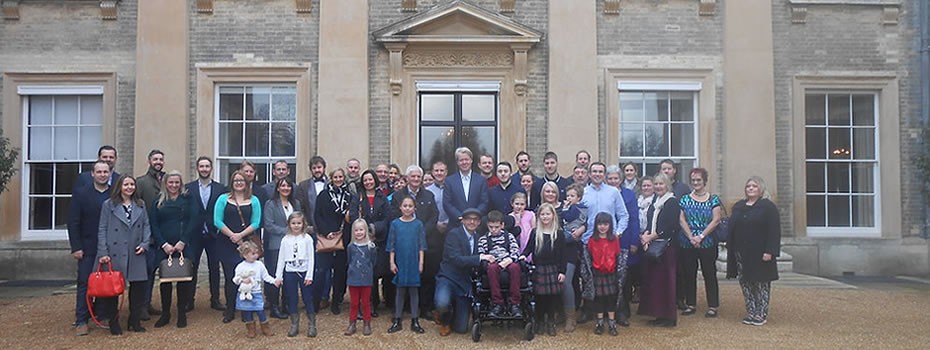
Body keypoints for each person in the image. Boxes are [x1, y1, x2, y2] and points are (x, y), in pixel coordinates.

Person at [96, 175, 152, 334]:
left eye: (132, 184)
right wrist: (103, 252)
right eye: (126, 184)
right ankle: (114, 323)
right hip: (114, 252)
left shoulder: (140, 205)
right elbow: (102, 229)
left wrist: (145, 244)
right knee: (113, 290)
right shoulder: (109, 205)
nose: (129, 187)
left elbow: (147, 226)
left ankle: (134, 321)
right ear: (119, 186)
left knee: (138, 288)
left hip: (136, 251)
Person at [726, 176, 781, 327]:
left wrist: (770, 251)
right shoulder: (739, 206)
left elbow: (774, 231)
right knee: (746, 283)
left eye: (754, 186)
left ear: (760, 189)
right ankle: (751, 311)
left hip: (761, 252)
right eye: (748, 186)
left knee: (761, 284)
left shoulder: (768, 207)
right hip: (741, 253)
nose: (750, 188)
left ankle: (761, 313)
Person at [389, 165, 439, 320]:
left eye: (419, 176)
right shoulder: (398, 196)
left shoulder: (428, 195)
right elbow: (393, 216)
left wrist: (422, 231)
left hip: (424, 241)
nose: (416, 179)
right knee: (401, 275)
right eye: (413, 176)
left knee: (425, 275)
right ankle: (401, 309)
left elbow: (434, 216)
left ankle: (424, 308)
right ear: (407, 178)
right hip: (403, 244)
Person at [149, 170, 198, 329]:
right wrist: (163, 244)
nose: (174, 185)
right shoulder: (158, 200)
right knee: (165, 281)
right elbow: (154, 224)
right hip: (165, 246)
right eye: (171, 182)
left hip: (183, 244)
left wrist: (183, 241)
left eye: (177, 182)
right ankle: (165, 314)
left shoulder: (188, 198)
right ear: (165, 183)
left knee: (183, 280)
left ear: (181, 183)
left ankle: (182, 313)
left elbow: (194, 220)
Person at [68, 160, 112, 336]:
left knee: (104, 282)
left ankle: (102, 315)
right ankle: (81, 320)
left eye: (105, 172)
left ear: (109, 174)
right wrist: (76, 246)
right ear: (92, 174)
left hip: (107, 246)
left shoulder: (114, 194)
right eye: (99, 172)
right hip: (86, 246)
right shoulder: (81, 194)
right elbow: (73, 221)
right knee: (85, 283)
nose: (102, 174)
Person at [434, 208, 494, 336]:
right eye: (468, 219)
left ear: (479, 222)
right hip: (448, 278)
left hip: (464, 282)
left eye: (475, 219)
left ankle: (453, 311)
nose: (472, 222)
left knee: (461, 329)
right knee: (442, 303)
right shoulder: (453, 234)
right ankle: (444, 319)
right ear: (463, 221)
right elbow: (456, 259)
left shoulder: (480, 238)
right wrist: (480, 257)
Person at [213, 170, 262, 324]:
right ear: (232, 183)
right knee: (230, 278)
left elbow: (256, 222)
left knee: (248, 276)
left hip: (247, 244)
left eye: (242, 180)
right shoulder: (223, 199)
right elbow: (217, 220)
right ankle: (230, 309)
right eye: (236, 180)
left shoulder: (253, 200)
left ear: (247, 183)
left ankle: (246, 309)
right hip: (226, 243)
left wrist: (240, 235)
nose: (239, 183)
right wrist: (232, 235)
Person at [638, 173, 681, 327]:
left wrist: (652, 237)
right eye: (656, 184)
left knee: (666, 283)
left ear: (667, 185)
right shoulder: (655, 202)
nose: (658, 187)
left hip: (666, 248)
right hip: (653, 246)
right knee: (655, 282)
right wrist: (645, 236)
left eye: (661, 184)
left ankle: (669, 317)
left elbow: (670, 227)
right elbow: (650, 222)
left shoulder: (671, 202)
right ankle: (658, 314)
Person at [678, 168, 722, 318]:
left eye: (698, 180)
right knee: (689, 274)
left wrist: (701, 236)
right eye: (693, 180)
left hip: (707, 242)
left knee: (709, 274)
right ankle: (691, 304)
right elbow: (681, 219)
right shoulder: (684, 199)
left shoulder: (713, 199)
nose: (696, 183)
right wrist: (691, 237)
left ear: (704, 181)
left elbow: (716, 220)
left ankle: (713, 305)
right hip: (687, 242)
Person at [185, 156, 228, 312]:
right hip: (194, 234)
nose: (204, 169)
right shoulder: (188, 188)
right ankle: (189, 300)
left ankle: (215, 299)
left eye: (207, 166)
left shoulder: (220, 188)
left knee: (214, 268)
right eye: (201, 166)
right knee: (192, 267)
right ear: (197, 168)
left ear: (211, 169)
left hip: (213, 234)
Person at [313, 168, 358, 315]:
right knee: (321, 271)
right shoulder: (323, 195)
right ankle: (316, 301)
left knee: (340, 272)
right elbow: (317, 215)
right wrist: (327, 232)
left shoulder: (349, 196)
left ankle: (336, 301)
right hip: (326, 237)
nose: (338, 179)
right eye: (335, 177)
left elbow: (352, 216)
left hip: (343, 238)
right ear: (331, 178)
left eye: (340, 177)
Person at [541, 181, 584, 332]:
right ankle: (555, 313)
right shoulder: (540, 210)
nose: (550, 194)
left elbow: (581, 222)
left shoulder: (567, 208)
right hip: (549, 251)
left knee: (565, 282)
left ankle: (570, 317)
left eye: (553, 191)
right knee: (552, 282)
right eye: (547, 191)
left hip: (567, 250)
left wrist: (582, 229)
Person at [520, 203, 566, 336]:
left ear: (553, 216)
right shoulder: (535, 232)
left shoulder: (559, 233)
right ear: (539, 216)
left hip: (553, 269)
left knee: (552, 297)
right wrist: (523, 256)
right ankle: (539, 321)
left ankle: (550, 321)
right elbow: (528, 248)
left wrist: (562, 272)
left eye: (548, 214)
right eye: (542, 214)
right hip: (539, 268)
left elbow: (563, 255)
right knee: (539, 297)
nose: (545, 217)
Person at [606, 165, 641, 326]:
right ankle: (607, 310)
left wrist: (634, 241)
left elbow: (634, 219)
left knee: (624, 278)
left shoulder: (628, 195)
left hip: (625, 240)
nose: (613, 181)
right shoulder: (604, 193)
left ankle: (623, 310)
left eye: (616, 178)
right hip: (605, 242)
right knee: (607, 277)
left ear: (621, 179)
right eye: (610, 178)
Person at [263, 178, 303, 319]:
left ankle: (287, 304)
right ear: (278, 188)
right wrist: (287, 231)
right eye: (283, 185)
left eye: (288, 185)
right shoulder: (271, 204)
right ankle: (274, 307)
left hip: (293, 245)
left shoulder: (296, 203)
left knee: (289, 275)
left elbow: (300, 221)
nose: (286, 188)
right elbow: (268, 225)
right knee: (276, 275)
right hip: (276, 245)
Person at [387, 196, 428, 333]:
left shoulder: (418, 224)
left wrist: (421, 262)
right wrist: (392, 262)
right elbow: (391, 245)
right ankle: (397, 319)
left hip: (413, 261)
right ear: (400, 207)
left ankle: (415, 320)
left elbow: (422, 245)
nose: (407, 208)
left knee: (413, 290)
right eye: (405, 206)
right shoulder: (395, 224)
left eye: (410, 206)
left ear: (414, 208)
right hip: (400, 261)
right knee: (400, 290)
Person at [273, 212, 317, 337]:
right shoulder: (285, 240)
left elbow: (311, 258)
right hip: (290, 272)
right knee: (292, 298)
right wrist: (278, 276)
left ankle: (312, 324)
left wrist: (309, 275)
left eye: (299, 223)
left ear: (303, 224)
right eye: (293, 223)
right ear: (289, 224)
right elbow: (281, 258)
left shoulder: (307, 238)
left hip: (304, 271)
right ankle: (294, 324)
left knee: (308, 298)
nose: (296, 226)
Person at [135, 149, 165, 319]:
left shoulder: (167, 180)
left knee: (153, 271)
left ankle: (148, 303)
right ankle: (141, 306)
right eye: (155, 159)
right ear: (149, 161)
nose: (158, 162)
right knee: (144, 272)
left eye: (161, 159)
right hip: (146, 235)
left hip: (163, 233)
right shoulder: (141, 182)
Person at [358, 169, 392, 316]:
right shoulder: (358, 197)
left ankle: (384, 301)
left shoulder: (382, 197)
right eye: (365, 180)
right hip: (363, 239)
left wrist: (374, 228)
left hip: (380, 238)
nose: (368, 182)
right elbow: (354, 215)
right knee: (367, 273)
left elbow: (387, 217)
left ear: (375, 180)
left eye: (370, 179)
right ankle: (370, 303)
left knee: (380, 271)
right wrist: (365, 231)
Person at [477, 210, 522, 319]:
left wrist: (509, 260)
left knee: (515, 267)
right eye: (491, 227)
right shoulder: (483, 239)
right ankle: (497, 303)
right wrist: (486, 257)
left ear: (502, 225)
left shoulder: (509, 236)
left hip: (508, 261)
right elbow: (481, 254)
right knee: (492, 268)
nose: (494, 230)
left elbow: (516, 251)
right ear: (487, 225)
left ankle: (514, 303)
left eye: (496, 227)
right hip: (493, 262)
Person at [232, 241, 277, 338]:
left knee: (260, 310)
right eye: (253, 254)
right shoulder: (240, 267)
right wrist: (242, 280)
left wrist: (274, 281)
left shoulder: (259, 265)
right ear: (244, 255)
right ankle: (251, 329)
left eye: (256, 253)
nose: (255, 255)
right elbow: (235, 279)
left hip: (256, 292)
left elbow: (265, 276)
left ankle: (265, 327)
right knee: (247, 311)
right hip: (245, 293)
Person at [588, 213, 622, 336]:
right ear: (596, 225)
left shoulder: (614, 239)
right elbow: (589, 257)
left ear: (610, 225)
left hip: (611, 273)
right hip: (598, 274)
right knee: (599, 299)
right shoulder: (592, 240)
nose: (602, 227)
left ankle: (612, 323)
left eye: (605, 224)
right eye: (600, 224)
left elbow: (618, 256)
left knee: (611, 298)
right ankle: (600, 323)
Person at [442, 147, 489, 227]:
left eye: (466, 159)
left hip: (476, 225)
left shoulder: (481, 180)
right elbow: (447, 203)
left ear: (471, 160)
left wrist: (473, 218)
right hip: (456, 225)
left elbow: (484, 202)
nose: (464, 162)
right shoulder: (449, 181)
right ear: (457, 162)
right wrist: (461, 218)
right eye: (461, 160)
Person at [345, 218, 377, 336]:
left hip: (366, 279)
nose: (359, 232)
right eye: (356, 230)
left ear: (366, 231)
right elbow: (349, 261)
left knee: (366, 303)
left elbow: (373, 261)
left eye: (361, 230)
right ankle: (352, 323)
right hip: (353, 279)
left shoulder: (371, 247)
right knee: (354, 303)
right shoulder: (351, 247)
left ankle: (367, 323)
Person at [509, 192, 535, 258]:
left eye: (522, 204)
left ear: (525, 205)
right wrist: (517, 221)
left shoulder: (530, 214)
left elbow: (534, 229)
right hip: (517, 243)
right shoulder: (509, 217)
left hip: (528, 240)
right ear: (512, 204)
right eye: (517, 204)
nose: (519, 207)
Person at [427, 161, 450, 234]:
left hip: (450, 227)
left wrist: (447, 222)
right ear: (433, 173)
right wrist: (436, 223)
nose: (439, 173)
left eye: (442, 170)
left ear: (446, 172)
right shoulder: (427, 191)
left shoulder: (453, 189)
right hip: (432, 230)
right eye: (436, 171)